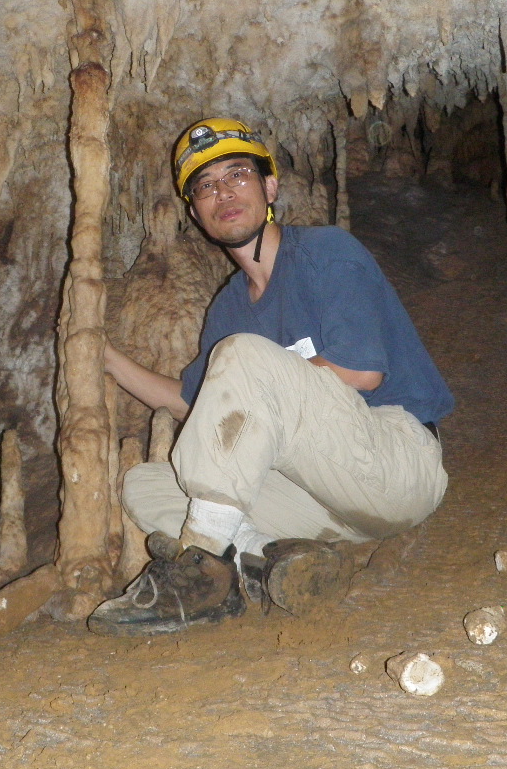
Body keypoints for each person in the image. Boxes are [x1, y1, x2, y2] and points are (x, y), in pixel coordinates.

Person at [88, 117, 454, 637]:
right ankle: (268, 561)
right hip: (322, 506)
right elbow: (195, 404)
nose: (224, 194)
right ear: (195, 214)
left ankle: (202, 570)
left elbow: (363, 371)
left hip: (393, 466)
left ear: (271, 187)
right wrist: (104, 357)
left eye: (237, 175)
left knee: (243, 358)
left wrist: (258, 382)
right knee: (146, 486)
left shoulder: (325, 253)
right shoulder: (229, 308)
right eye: (206, 187)